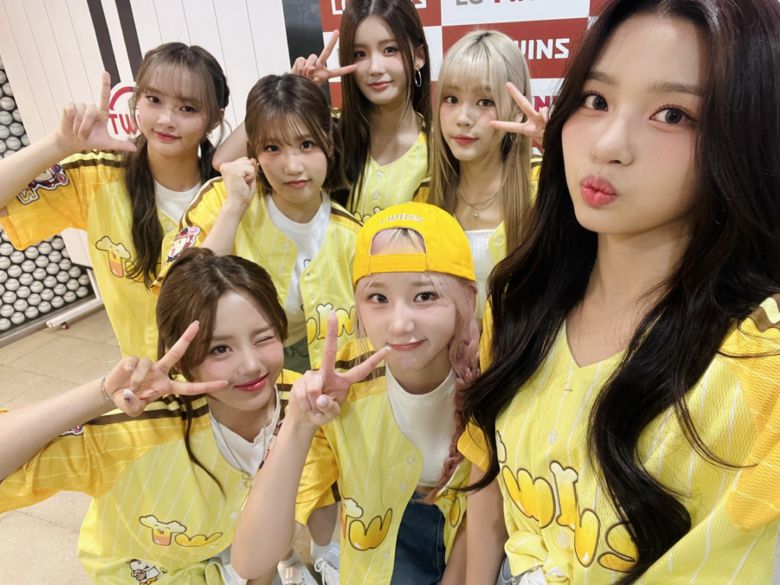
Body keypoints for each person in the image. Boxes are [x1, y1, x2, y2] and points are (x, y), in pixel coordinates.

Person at [459, 0, 780, 583]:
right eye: (596, 100)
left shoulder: (760, 366)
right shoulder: (521, 301)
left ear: (746, 132)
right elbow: (488, 496)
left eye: (673, 115)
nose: (608, 143)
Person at [0, 248, 299, 584]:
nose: (252, 365)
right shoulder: (135, 430)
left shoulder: (300, 401)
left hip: (236, 550)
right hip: (143, 570)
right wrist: (101, 394)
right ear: (182, 358)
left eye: (263, 338)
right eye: (219, 349)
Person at [231, 202, 481, 585]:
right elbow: (250, 562)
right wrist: (298, 424)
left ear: (467, 296)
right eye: (378, 298)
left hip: (478, 542)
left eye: (425, 296)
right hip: (381, 543)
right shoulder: (342, 386)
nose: (399, 324)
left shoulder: (496, 370)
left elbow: (490, 518)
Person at [0, 43, 229, 360]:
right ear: (137, 100)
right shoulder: (99, 177)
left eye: (188, 108)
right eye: (154, 100)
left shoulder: (229, 188)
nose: (166, 119)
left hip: (227, 364)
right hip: (144, 372)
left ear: (215, 119)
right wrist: (60, 144)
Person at [162, 73, 360, 375]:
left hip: (318, 364)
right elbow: (180, 297)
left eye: (306, 144)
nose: (292, 166)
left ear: (329, 144)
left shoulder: (352, 236)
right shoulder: (221, 200)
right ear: (254, 152)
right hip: (232, 364)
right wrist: (234, 209)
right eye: (272, 148)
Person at [215, 0, 431, 222]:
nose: (375, 68)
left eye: (390, 50)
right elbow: (223, 160)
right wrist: (289, 94)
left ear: (419, 56)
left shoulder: (438, 148)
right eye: (359, 54)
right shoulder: (327, 130)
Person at [417, 30, 545, 317]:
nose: (463, 118)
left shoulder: (544, 189)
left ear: (516, 110)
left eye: (485, 101)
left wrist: (565, 154)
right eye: (451, 99)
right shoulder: (425, 198)